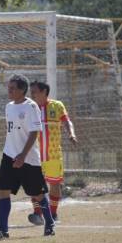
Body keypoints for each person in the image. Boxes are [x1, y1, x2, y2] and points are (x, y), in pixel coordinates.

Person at [0, 74, 56, 240]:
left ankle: (49, 224)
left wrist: (23, 156)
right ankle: (2, 229)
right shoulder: (8, 106)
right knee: (3, 191)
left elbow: (34, 132)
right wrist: (13, 153)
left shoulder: (31, 107)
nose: (9, 90)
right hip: (9, 155)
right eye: (8, 87)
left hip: (28, 158)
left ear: (22, 90)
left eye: (13, 88)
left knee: (37, 194)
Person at [27, 80, 78, 224]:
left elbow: (67, 121)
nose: (32, 94)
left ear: (44, 92)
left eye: (34, 91)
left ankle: (53, 214)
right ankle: (37, 214)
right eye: (31, 92)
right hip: (34, 154)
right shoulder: (29, 108)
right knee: (34, 185)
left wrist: (71, 134)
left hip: (53, 154)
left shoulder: (57, 105)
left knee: (54, 185)